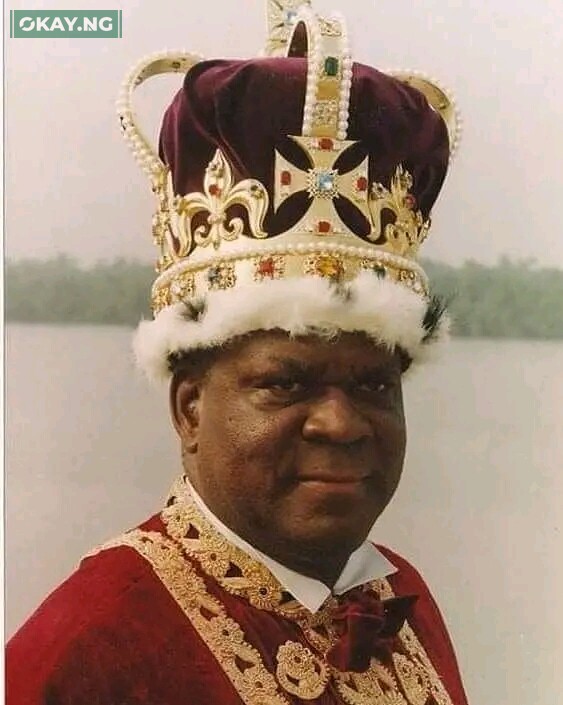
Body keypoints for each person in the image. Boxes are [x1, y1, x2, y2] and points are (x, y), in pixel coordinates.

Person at [7, 2, 469, 703]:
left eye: (374, 385)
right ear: (190, 407)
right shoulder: (90, 646)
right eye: (286, 383)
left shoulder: (401, 599)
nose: (341, 424)